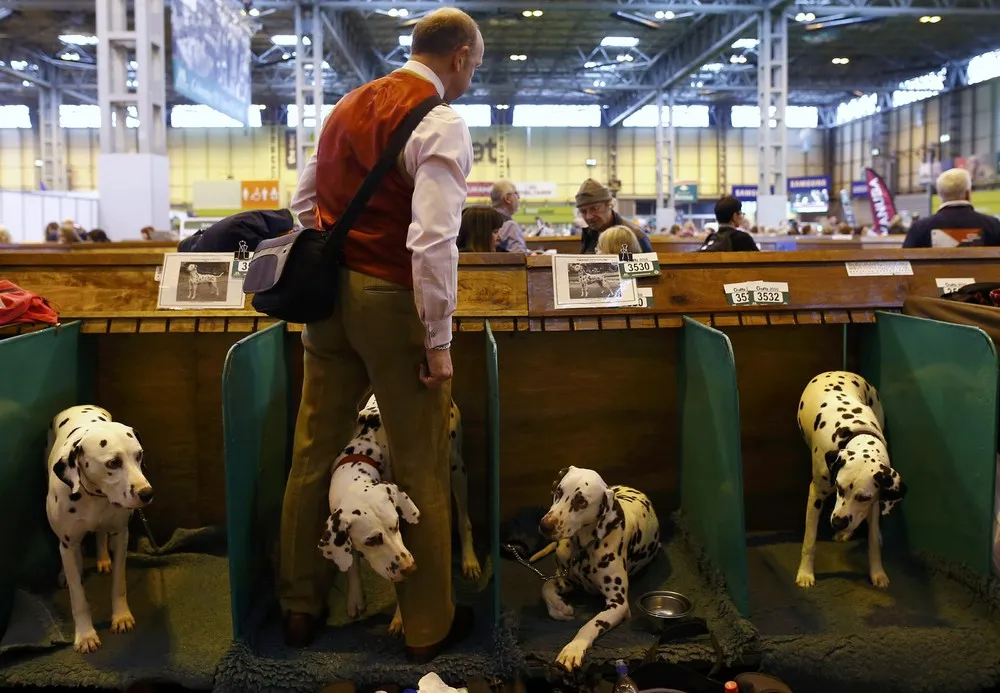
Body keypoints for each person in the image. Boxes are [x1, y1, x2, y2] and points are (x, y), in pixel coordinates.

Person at [281, 7, 483, 662]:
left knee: (312, 450)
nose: (472, 75)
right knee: (420, 456)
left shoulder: (346, 105)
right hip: (392, 296)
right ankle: (427, 626)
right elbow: (431, 240)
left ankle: (299, 605)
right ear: (458, 56)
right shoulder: (442, 120)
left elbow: (305, 201)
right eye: (474, 64)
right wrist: (439, 337)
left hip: (329, 298)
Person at [903, 168, 1000, 247]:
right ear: (967, 194)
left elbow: (901, 267)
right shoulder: (993, 225)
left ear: (941, 196)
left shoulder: (920, 228)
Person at [575, 179, 652, 254]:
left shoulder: (634, 234)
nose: (589, 217)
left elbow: (649, 265)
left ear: (609, 205)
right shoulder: (589, 233)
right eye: (583, 211)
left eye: (595, 208)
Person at [489, 180, 528, 252]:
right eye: (516, 193)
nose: (519, 197)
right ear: (507, 198)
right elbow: (520, 256)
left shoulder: (484, 220)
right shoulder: (510, 226)